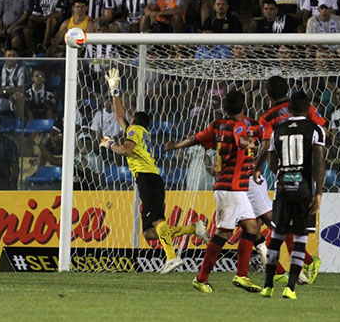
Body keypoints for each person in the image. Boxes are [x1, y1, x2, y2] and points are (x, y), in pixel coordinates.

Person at [100, 68, 209, 273]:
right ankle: (194, 229)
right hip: (151, 178)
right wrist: (115, 91)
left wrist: (109, 144)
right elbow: (120, 116)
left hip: (147, 179)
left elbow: (126, 149)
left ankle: (172, 257)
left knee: (158, 221)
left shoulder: (134, 132)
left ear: (134, 123)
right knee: (150, 233)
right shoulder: (141, 132)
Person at [167, 89, 263, 293]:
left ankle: (242, 275)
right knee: (223, 232)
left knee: (252, 227)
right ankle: (201, 278)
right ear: (243, 107)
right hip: (231, 188)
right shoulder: (238, 127)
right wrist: (249, 143)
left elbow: (196, 138)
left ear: (225, 108)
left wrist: (176, 145)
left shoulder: (217, 125)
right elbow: (241, 140)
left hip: (236, 188)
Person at [254, 76, 325, 285]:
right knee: (286, 225)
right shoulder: (304, 107)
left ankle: (299, 266)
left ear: (267, 96)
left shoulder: (267, 117)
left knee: (280, 224)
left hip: (285, 174)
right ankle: (302, 266)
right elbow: (324, 131)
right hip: (306, 174)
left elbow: (267, 145)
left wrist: (258, 167)